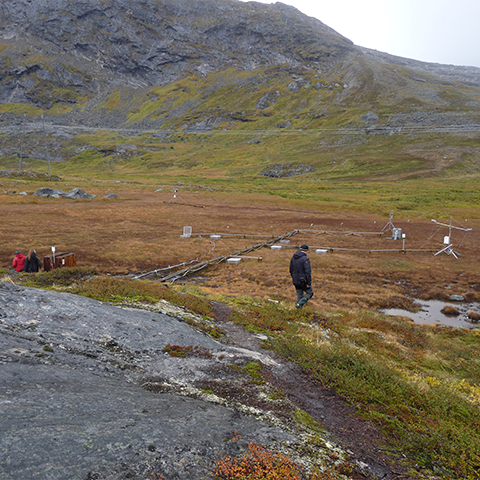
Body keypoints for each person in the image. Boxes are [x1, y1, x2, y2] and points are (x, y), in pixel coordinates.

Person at [289, 244, 313, 309]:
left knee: (299, 294)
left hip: (295, 280)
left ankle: (299, 310)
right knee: (310, 293)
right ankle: (300, 304)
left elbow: (290, 270)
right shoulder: (305, 259)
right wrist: (308, 283)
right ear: (306, 251)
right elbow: (308, 272)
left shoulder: (293, 258)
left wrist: (294, 278)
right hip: (303, 281)